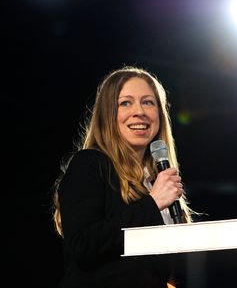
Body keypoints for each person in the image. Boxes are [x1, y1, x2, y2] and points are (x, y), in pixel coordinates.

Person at [52, 65, 195, 288]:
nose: (140, 111)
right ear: (108, 114)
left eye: (148, 102)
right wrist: (152, 203)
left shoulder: (155, 179)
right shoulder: (89, 164)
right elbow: (84, 246)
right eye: (125, 102)